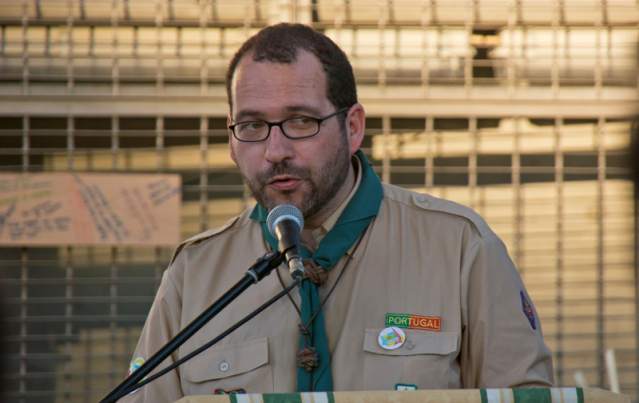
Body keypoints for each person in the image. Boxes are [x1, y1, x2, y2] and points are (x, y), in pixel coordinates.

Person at [121, 23, 554, 401]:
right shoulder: (193, 274)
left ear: (353, 128)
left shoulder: (460, 248)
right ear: (232, 142)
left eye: (301, 121)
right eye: (252, 125)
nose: (276, 151)